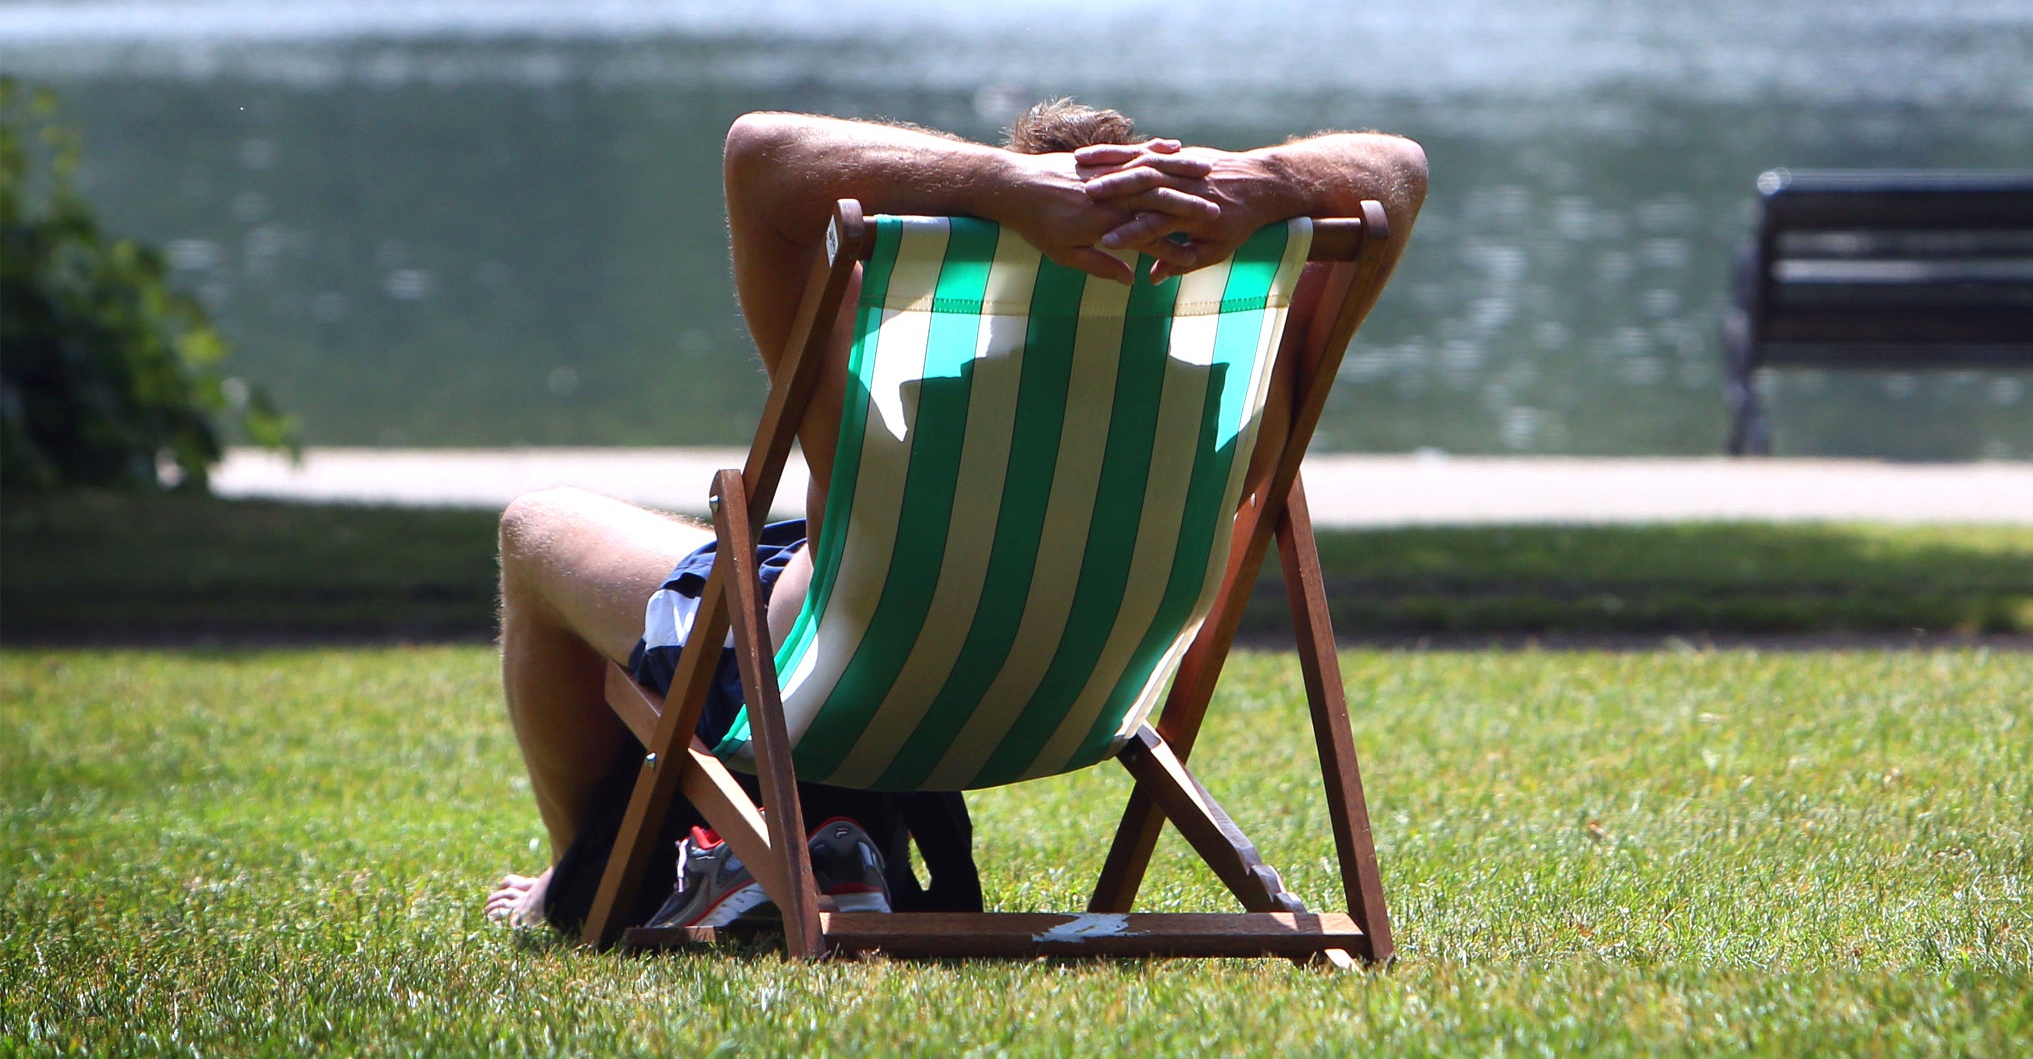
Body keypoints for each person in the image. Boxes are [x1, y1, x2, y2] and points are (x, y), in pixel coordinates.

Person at [486, 101, 1427, 930]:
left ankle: (586, 887)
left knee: (538, 527)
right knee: (769, 554)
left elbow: (760, 152)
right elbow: (1400, 170)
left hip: (833, 690)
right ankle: (804, 844)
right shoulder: (1243, 400)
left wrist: (998, 182)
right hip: (1083, 707)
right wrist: (1260, 183)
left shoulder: (890, 374)